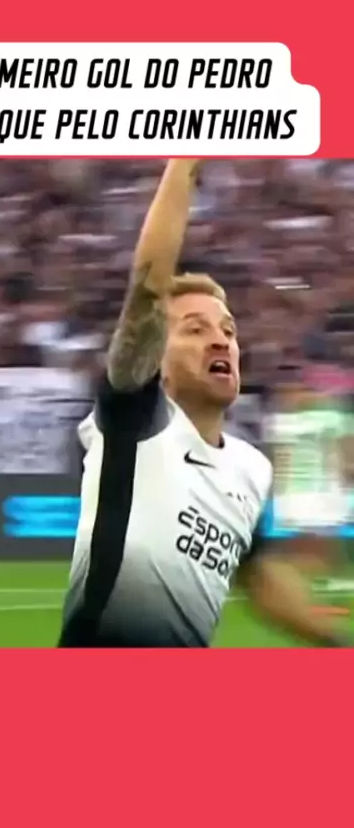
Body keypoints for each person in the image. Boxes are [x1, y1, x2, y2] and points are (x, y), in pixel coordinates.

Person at [58, 158, 350, 648]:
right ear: (157, 358)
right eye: (194, 330)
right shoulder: (135, 422)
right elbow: (148, 290)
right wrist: (185, 161)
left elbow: (259, 578)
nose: (220, 340)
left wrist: (337, 643)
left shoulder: (250, 469)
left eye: (228, 331)